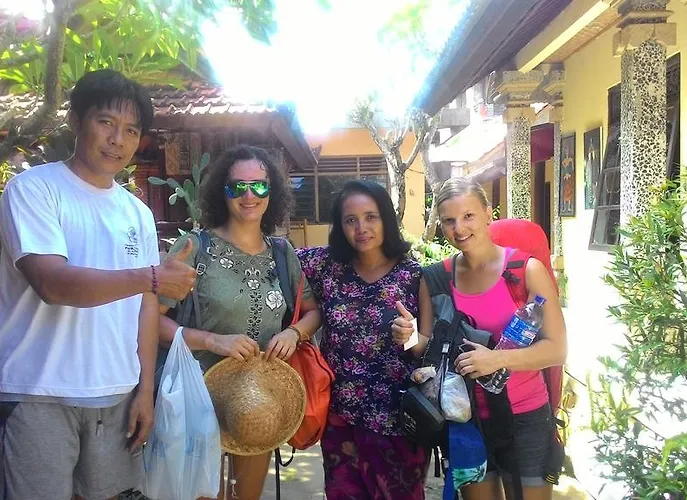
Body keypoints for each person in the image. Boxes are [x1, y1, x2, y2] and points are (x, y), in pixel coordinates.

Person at [0, 69, 196, 500]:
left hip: (117, 393)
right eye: (106, 122)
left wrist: (145, 390)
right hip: (38, 392)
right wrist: (152, 277)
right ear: (76, 120)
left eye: (131, 130)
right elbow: (53, 284)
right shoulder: (32, 190)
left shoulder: (136, 212)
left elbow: (146, 306)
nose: (117, 140)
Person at [158, 145, 321, 500]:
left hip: (257, 400)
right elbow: (152, 322)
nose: (249, 195)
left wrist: (294, 333)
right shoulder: (194, 248)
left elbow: (313, 311)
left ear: (272, 192)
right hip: (198, 396)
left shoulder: (282, 253)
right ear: (222, 191)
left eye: (259, 186)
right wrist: (211, 340)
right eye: (237, 187)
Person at [408, 177, 567, 500]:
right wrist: (408, 336)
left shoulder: (525, 270)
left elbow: (557, 349)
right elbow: (424, 350)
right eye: (449, 220)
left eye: (468, 216)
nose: (459, 228)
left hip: (526, 417)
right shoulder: (436, 278)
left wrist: (496, 359)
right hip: (466, 420)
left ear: (487, 213)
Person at [296, 180, 430, 500]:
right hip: (340, 418)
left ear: (386, 219)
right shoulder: (325, 266)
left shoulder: (414, 275)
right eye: (350, 220)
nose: (361, 228)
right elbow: (272, 256)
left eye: (371, 217)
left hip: (398, 421)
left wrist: (411, 336)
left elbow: (427, 349)